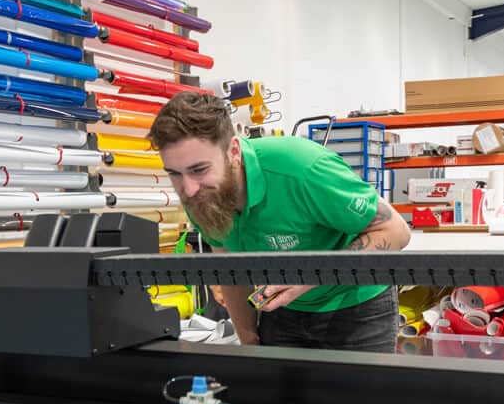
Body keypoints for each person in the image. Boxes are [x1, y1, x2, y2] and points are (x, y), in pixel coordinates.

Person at [147, 91, 411, 352]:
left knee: (358, 394)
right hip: (282, 306)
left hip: (356, 306)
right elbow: (229, 267)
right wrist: (248, 340)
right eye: (174, 173)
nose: (188, 188)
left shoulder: (303, 169)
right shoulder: (199, 194)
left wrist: (314, 274)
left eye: (199, 170)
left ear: (234, 152)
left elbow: (396, 231)